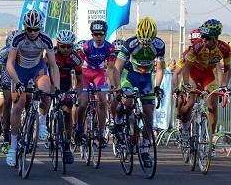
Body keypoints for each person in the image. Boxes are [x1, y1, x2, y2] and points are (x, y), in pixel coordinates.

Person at [5, 9, 60, 167]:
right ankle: (13, 148)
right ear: (25, 28)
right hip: (20, 71)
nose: (33, 32)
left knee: (46, 88)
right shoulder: (18, 38)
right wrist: (18, 82)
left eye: (36, 29)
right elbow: (9, 63)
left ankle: (42, 121)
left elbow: (54, 66)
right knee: (17, 107)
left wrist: (56, 88)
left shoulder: (46, 39)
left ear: (40, 28)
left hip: (37, 69)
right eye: (29, 29)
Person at [113, 16, 165, 168]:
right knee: (128, 101)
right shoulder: (130, 43)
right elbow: (117, 67)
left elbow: (161, 68)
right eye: (143, 41)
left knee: (149, 113)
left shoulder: (159, 44)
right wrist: (118, 88)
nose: (145, 45)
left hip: (146, 79)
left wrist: (157, 87)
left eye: (148, 42)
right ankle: (118, 121)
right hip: (129, 76)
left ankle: (145, 148)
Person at [178, 19, 231, 139]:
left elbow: (227, 69)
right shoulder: (197, 45)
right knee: (190, 103)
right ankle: (185, 127)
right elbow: (186, 68)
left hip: (208, 76)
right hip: (193, 74)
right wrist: (186, 85)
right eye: (202, 37)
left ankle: (209, 140)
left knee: (212, 106)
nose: (204, 40)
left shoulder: (224, 48)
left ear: (215, 38)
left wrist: (224, 86)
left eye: (207, 38)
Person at [75, 20, 115, 148]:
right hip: (85, 73)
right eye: (96, 34)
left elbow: (110, 68)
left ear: (105, 34)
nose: (98, 37)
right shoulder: (86, 46)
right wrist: (76, 82)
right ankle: (79, 127)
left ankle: (101, 133)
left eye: (101, 34)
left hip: (98, 73)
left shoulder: (109, 47)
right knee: (83, 102)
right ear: (92, 34)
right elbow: (78, 64)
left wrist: (111, 85)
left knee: (103, 100)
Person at [53, 29, 83, 164]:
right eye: (62, 46)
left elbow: (80, 81)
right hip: (52, 81)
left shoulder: (75, 58)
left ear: (73, 46)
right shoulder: (51, 54)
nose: (65, 49)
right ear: (57, 45)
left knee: (67, 112)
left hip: (66, 84)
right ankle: (47, 127)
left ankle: (66, 145)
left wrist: (76, 92)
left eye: (69, 46)